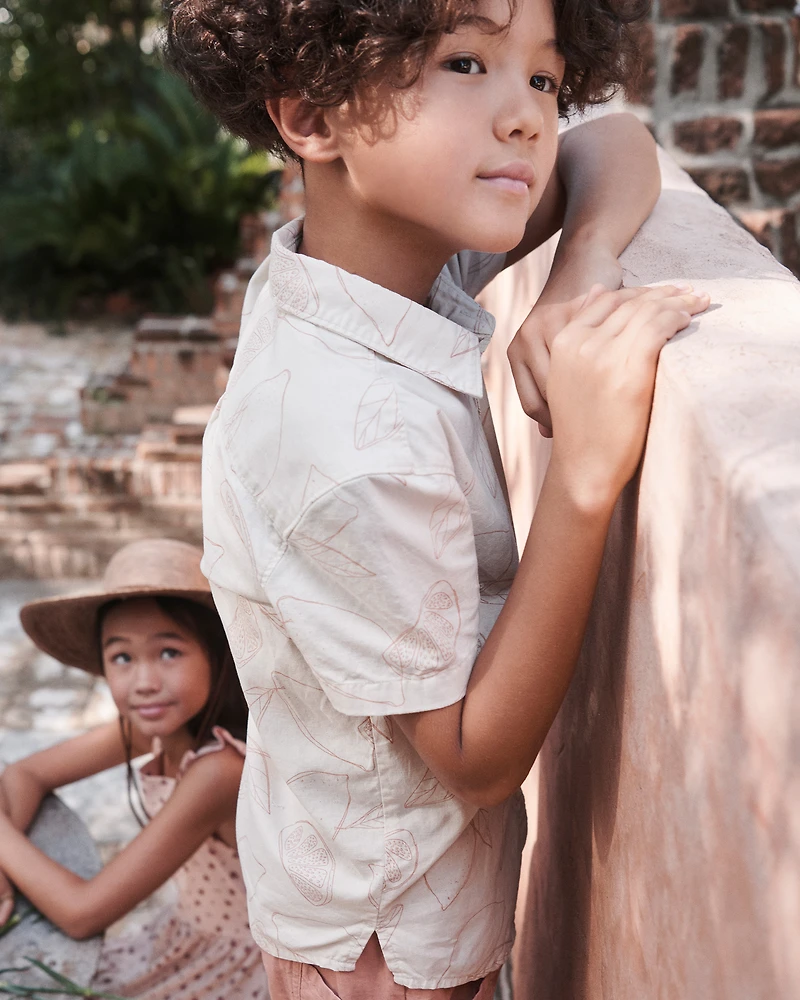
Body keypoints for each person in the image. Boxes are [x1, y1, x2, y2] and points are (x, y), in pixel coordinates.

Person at [165, 0, 710, 996]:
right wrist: (582, 482)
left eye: (541, 77)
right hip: (382, 953)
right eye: (463, 63)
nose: (524, 118)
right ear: (312, 118)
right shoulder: (343, 440)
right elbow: (471, 756)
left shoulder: (383, 260)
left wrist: (573, 273)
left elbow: (621, 143)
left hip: (395, 898)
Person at [0, 538, 270, 1000]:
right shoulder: (159, 724)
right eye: (123, 657)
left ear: (216, 653)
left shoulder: (219, 770)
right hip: (182, 933)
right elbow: (25, 775)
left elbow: (82, 913)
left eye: (169, 652)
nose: (145, 683)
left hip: (234, 968)